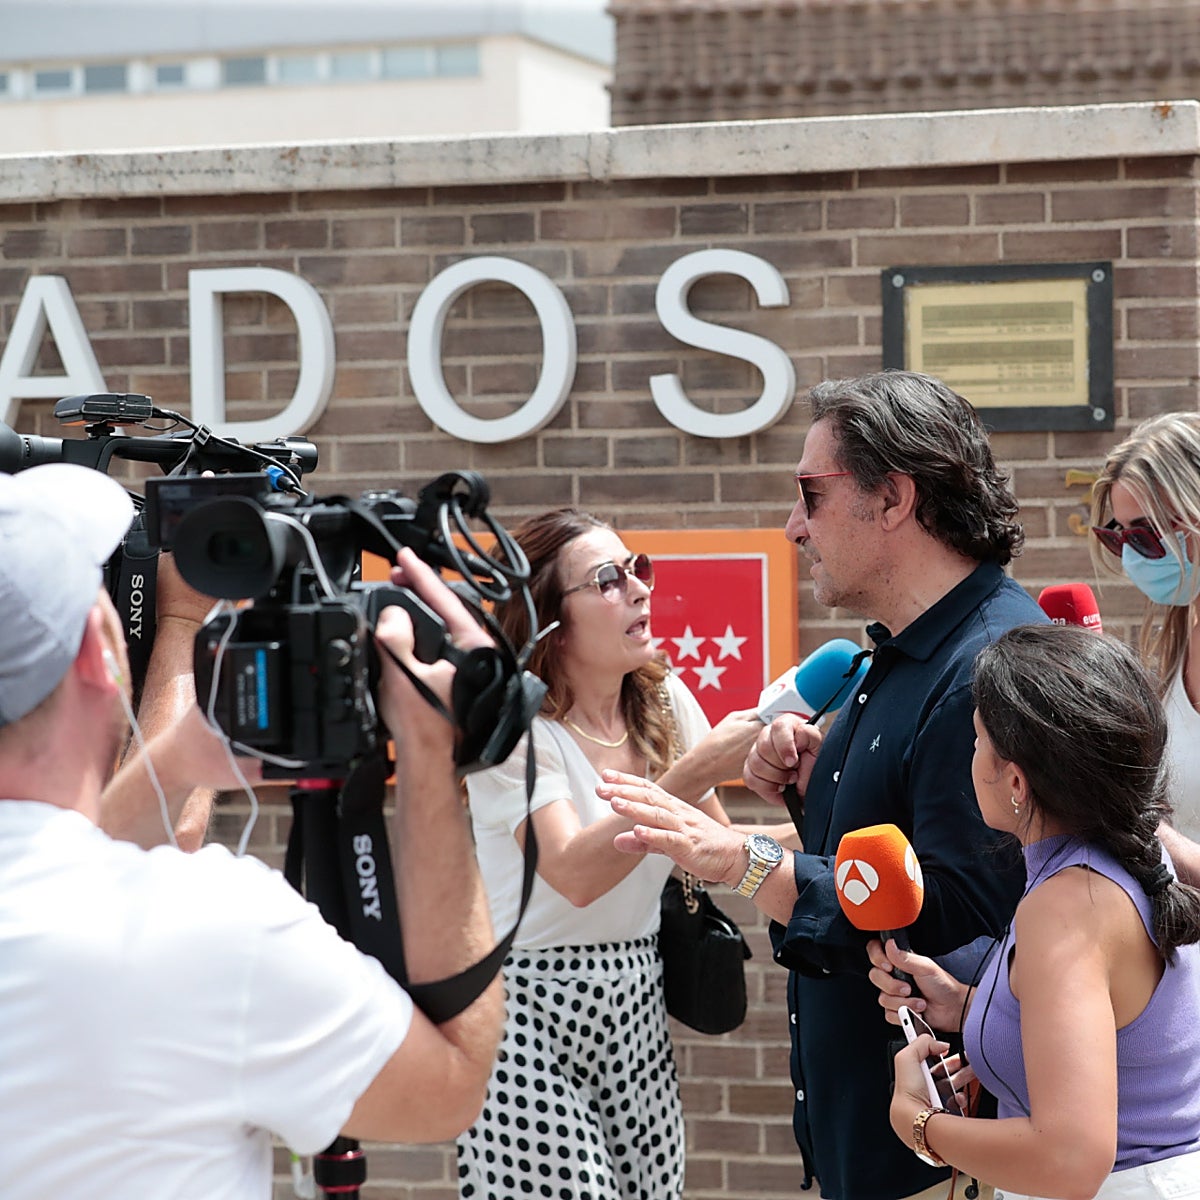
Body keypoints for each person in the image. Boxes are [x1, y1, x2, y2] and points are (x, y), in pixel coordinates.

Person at [0, 462, 505, 1197]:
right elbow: (449, 1088)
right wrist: (429, 754)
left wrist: (176, 760)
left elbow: (74, 874)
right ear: (92, 654)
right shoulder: (211, 927)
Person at [600, 370, 1046, 1200]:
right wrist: (816, 795)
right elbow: (887, 854)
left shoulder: (988, 668)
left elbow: (958, 916)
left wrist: (741, 861)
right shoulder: (900, 651)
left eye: (811, 493)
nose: (793, 525)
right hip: (879, 1141)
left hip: (948, 1155)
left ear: (895, 498)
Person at [456, 507, 791, 1200]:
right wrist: (695, 770)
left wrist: (848, 831)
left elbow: (712, 850)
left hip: (637, 1000)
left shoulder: (662, 701)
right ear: (550, 620)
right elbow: (574, 872)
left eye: (637, 569)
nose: (638, 588)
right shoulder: (512, 728)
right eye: (608, 579)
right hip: (524, 1009)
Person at [868, 625, 1200, 1200]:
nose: (971, 757)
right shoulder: (1130, 854)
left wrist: (918, 1123)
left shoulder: (1066, 904)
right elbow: (1122, 1026)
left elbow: (1068, 1159)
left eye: (977, 741)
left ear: (1016, 781)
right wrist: (971, 1005)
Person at [1088, 412, 1200, 858]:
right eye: (1119, 537)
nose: (1132, 557)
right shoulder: (1181, 640)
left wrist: (1136, 823)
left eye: (1146, 536)